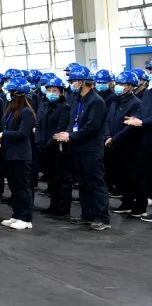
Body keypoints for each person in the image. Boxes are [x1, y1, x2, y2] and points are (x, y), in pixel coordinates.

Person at [53, 65, 110, 231]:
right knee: (83, 183)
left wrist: (71, 136)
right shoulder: (79, 99)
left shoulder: (96, 101)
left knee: (95, 183)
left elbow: (92, 126)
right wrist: (68, 133)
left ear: (82, 82)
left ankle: (102, 218)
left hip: (91, 149)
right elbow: (74, 121)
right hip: (79, 147)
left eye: (74, 81)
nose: (72, 84)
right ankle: (88, 215)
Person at [0, 79, 36, 230]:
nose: (8, 95)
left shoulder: (26, 112)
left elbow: (23, 133)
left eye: (10, 92)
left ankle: (26, 218)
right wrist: (0, 141)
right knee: (14, 187)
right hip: (10, 154)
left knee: (22, 187)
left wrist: (3, 135)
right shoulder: (11, 110)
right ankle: (17, 214)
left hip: (21, 156)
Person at [106, 71, 142, 217]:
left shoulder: (136, 103)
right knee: (121, 176)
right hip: (114, 144)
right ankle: (126, 202)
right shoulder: (116, 100)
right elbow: (108, 120)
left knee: (132, 176)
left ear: (130, 86)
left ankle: (138, 205)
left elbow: (131, 127)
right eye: (118, 83)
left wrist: (115, 139)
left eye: (122, 84)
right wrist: (108, 136)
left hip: (129, 146)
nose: (118, 86)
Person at [38, 77, 73, 217]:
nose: (51, 93)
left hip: (58, 147)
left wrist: (49, 144)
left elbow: (60, 127)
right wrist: (39, 142)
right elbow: (38, 124)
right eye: (49, 90)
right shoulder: (44, 105)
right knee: (51, 178)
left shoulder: (64, 107)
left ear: (61, 92)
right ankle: (53, 205)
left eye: (55, 90)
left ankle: (62, 207)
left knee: (61, 178)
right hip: (44, 147)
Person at [122, 73, 152, 221]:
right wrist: (138, 120)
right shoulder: (148, 94)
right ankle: (140, 205)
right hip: (146, 140)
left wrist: (142, 122)